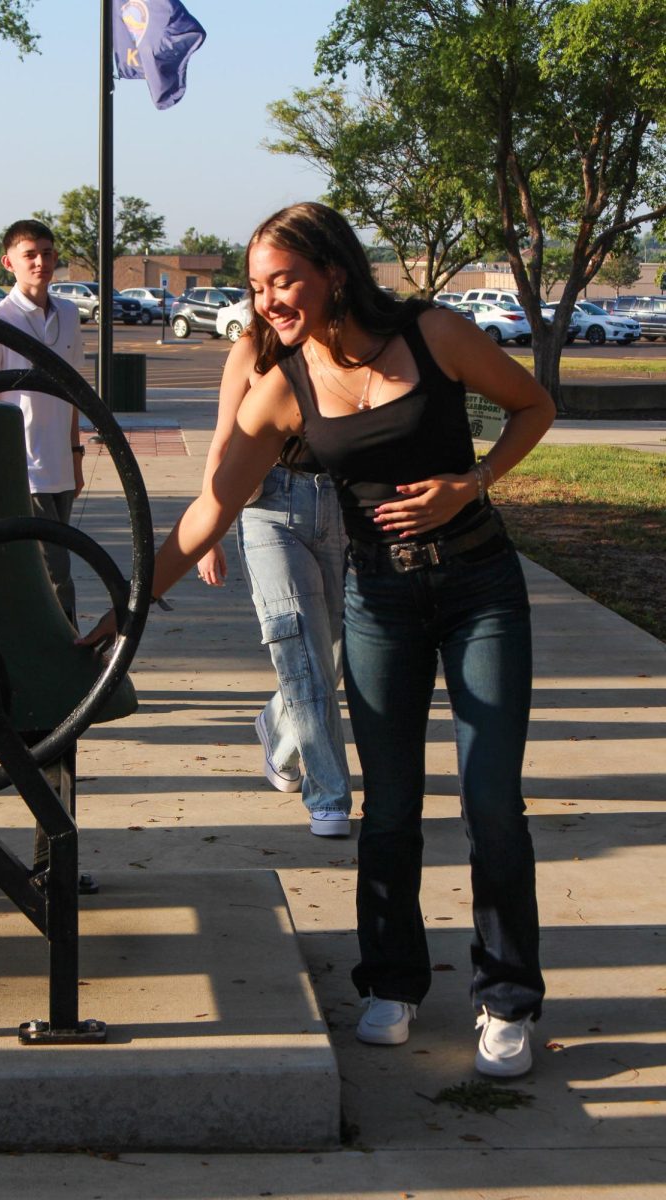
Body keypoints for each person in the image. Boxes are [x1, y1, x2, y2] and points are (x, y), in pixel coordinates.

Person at [82, 201, 555, 1077]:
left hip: (482, 585)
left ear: (334, 270)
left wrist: (473, 481)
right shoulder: (283, 383)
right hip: (380, 598)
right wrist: (125, 611)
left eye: (283, 279)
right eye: (258, 286)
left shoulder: (435, 333)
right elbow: (211, 507)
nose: (268, 300)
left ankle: (506, 1001)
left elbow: (534, 404)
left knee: (492, 801)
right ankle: (392, 983)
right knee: (391, 806)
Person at [196, 332, 352, 835]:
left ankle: (278, 731)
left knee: (337, 652)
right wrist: (209, 531)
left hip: (342, 502)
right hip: (269, 505)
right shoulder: (251, 351)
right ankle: (328, 795)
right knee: (301, 643)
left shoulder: (347, 344)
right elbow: (224, 438)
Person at [0, 218, 85, 623]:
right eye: (30, 255)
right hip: (25, 467)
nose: (41, 262)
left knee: (50, 565)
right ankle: (69, 647)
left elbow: (73, 392)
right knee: (56, 571)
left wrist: (76, 452)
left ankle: (42, 640)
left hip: (60, 466)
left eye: (47, 253)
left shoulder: (69, 314)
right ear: (9, 263)